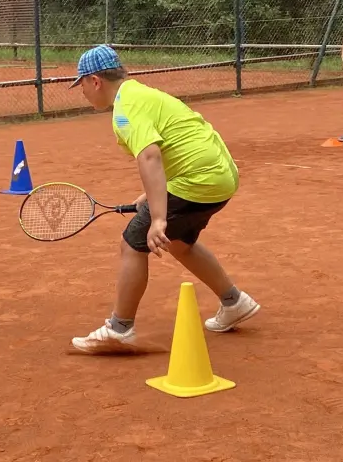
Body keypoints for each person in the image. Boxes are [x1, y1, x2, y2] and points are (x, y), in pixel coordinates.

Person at [68, 45, 259, 354]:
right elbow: (174, 147)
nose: (83, 93)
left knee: (133, 242)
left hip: (198, 179)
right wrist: (153, 196)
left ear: (95, 81)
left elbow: (149, 155)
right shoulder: (140, 94)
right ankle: (234, 301)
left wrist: (158, 218)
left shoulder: (125, 110)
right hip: (220, 176)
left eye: (82, 85)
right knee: (181, 243)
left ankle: (119, 329)